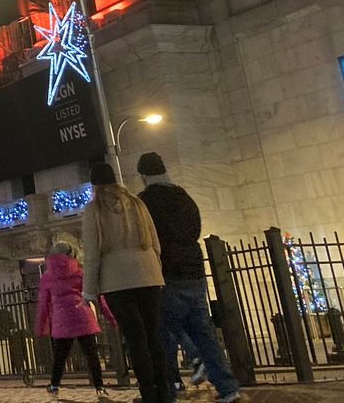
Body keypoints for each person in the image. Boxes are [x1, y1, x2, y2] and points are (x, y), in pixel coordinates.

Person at [137, 152, 242, 403]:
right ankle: (228, 388)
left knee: (163, 332)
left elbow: (144, 236)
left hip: (166, 271)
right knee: (202, 329)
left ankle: (170, 388)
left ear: (143, 175)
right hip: (193, 269)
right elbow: (195, 228)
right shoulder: (184, 196)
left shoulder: (144, 202)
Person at [81, 161, 172, 403]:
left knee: (135, 339)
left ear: (94, 184)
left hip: (117, 282)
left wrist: (89, 291)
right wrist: (154, 269)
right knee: (153, 336)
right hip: (149, 276)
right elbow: (155, 242)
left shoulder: (94, 209)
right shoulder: (137, 203)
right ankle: (164, 392)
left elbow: (91, 254)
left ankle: (148, 393)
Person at [35, 240, 117, 398]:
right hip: (82, 316)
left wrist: (40, 326)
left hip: (62, 320)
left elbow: (43, 303)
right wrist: (110, 317)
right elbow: (97, 296)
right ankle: (99, 387)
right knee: (91, 354)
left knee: (60, 356)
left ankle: (54, 386)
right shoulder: (80, 271)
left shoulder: (47, 276)